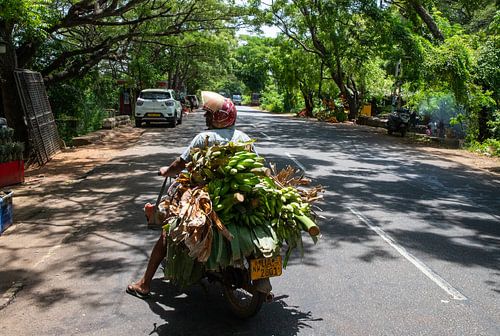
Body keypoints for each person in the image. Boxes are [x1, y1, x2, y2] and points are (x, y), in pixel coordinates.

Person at [126, 91, 252, 299]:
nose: (205, 117)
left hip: (203, 196)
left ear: (218, 117)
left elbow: (181, 163)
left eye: (209, 115)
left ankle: (145, 284)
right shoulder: (244, 138)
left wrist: (167, 171)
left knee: (167, 233)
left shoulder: (204, 138)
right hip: (238, 195)